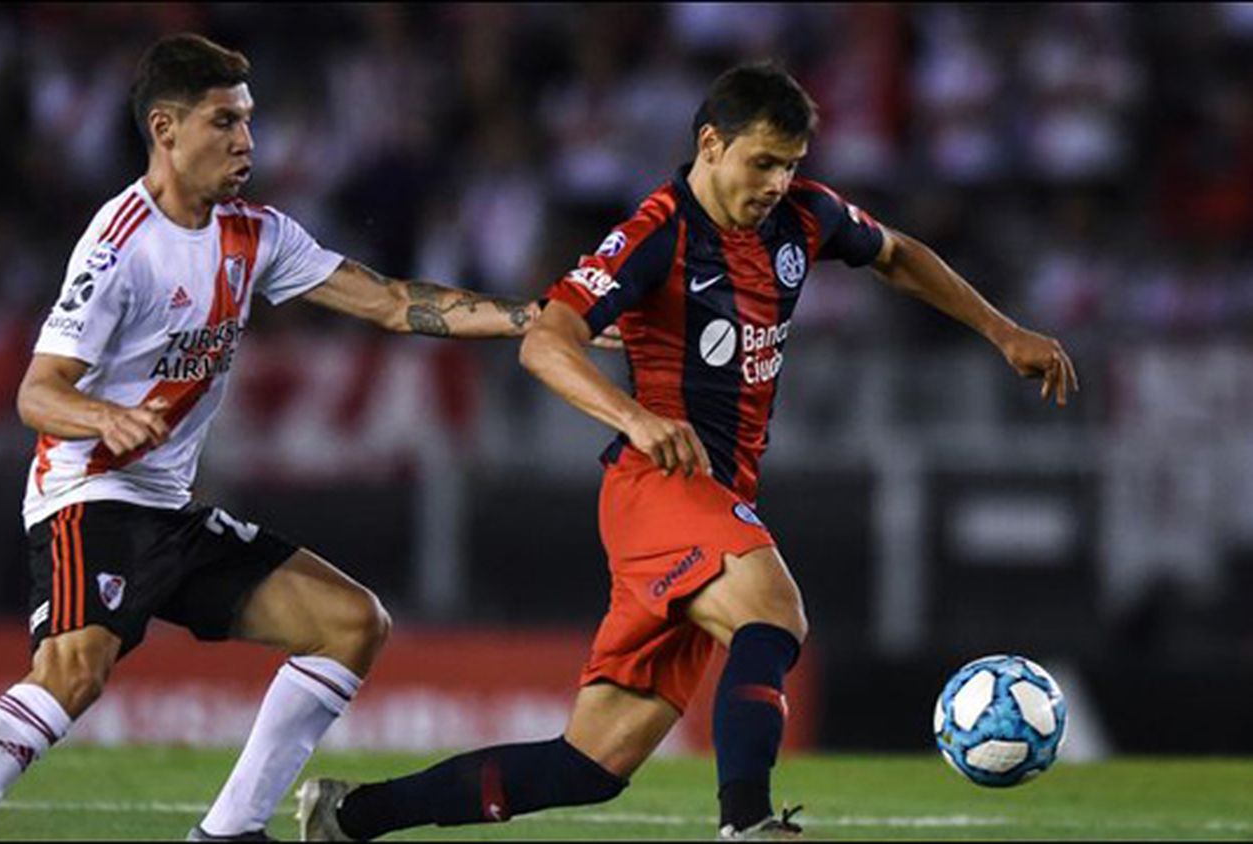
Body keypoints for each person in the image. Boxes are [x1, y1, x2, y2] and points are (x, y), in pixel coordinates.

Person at [296, 63, 1078, 841]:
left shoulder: (804, 217)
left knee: (589, 765)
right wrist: (634, 418)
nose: (777, 182)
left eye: (791, 165)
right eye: (763, 162)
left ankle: (349, 815)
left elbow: (897, 253)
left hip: (711, 495)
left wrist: (1002, 330)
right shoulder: (656, 232)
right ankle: (745, 824)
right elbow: (546, 341)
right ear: (711, 143)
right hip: (659, 483)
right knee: (773, 614)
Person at [0, 33, 554, 842]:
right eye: (223, 122)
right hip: (90, 496)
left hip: (167, 509)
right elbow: (38, 392)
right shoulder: (119, 245)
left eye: (248, 120)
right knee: (72, 674)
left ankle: (229, 833)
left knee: (352, 624)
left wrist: (532, 319)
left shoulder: (257, 234)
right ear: (165, 130)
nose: (246, 140)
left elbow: (389, 302)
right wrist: (107, 417)